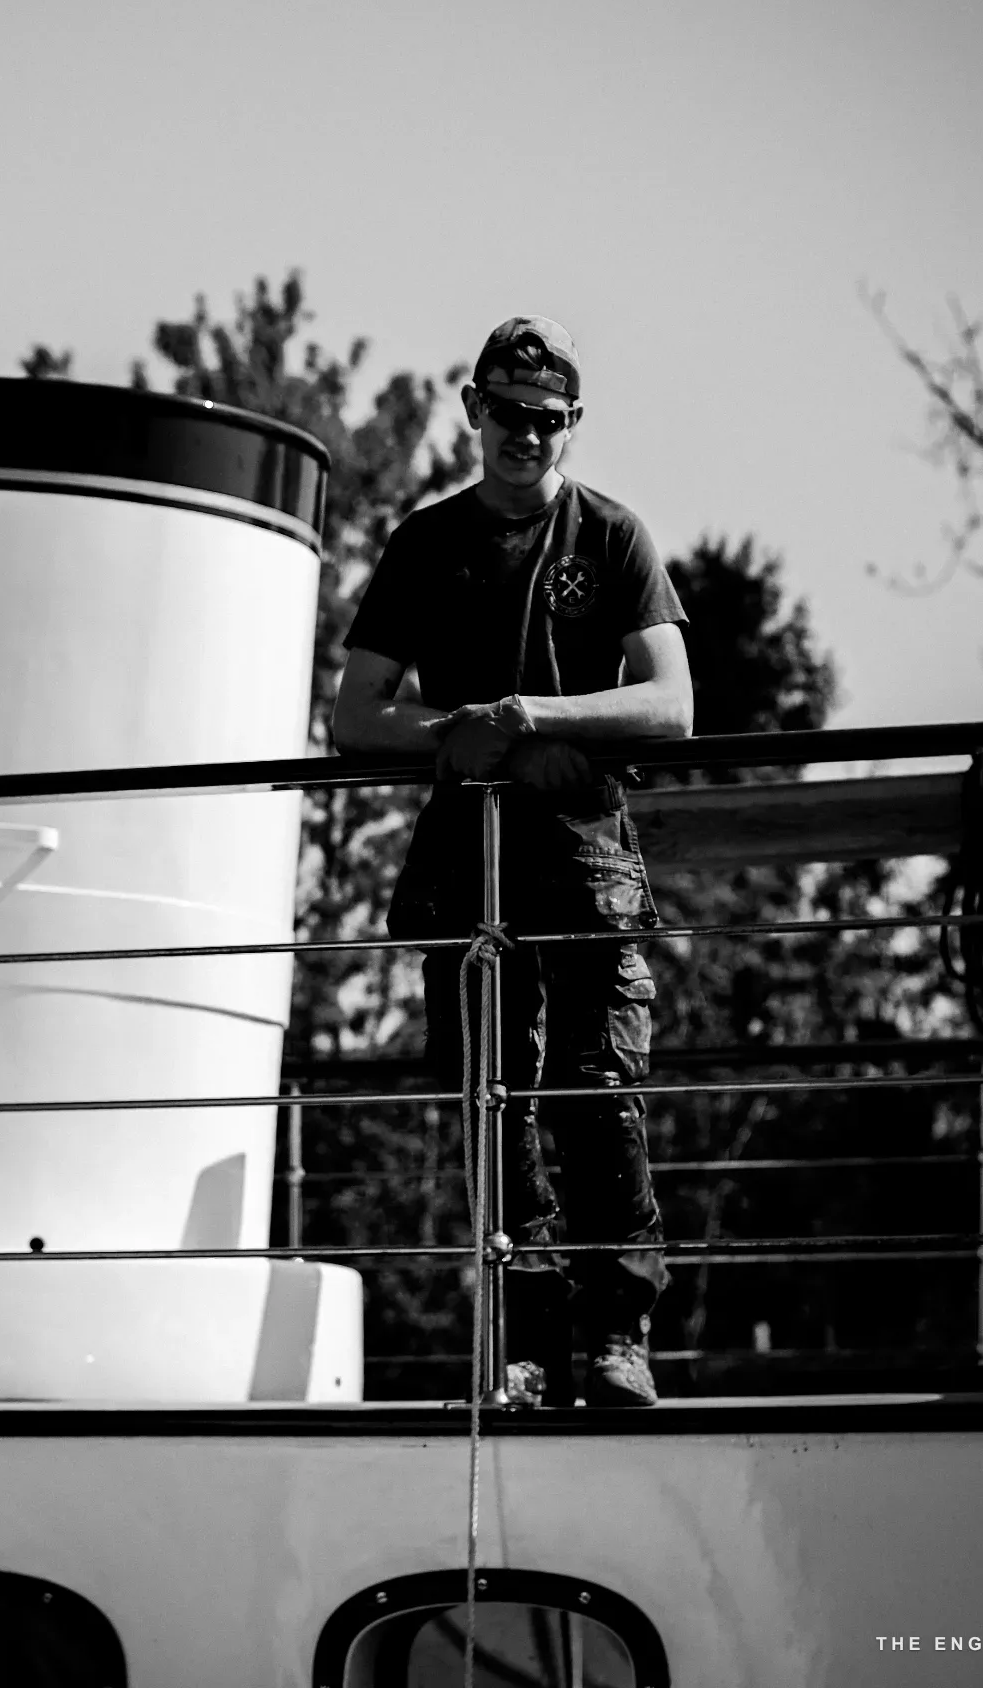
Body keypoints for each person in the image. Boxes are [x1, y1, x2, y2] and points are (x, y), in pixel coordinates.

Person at [331, 315, 693, 1407]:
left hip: (583, 860)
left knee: (600, 1092)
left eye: (544, 420)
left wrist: (534, 717)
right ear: (472, 411)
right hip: (468, 865)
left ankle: (618, 1339)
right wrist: (458, 735)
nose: (523, 435)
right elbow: (355, 713)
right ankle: (524, 1347)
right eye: (505, 413)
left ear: (572, 426)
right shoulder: (425, 543)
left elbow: (673, 705)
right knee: (494, 1105)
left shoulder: (614, 536)